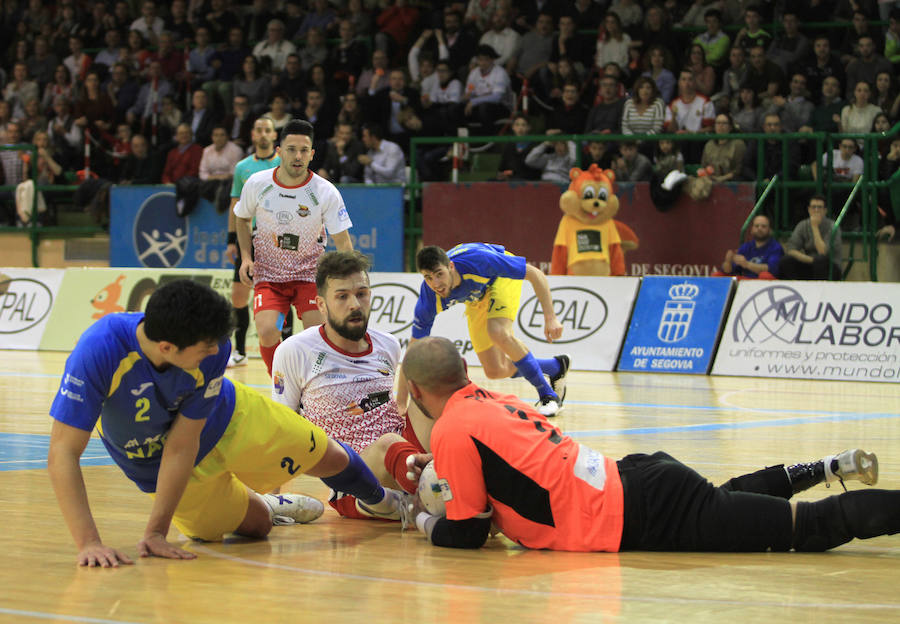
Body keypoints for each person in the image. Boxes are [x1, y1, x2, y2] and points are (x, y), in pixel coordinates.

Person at [402, 337, 893, 553]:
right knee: (722, 501)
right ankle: (826, 466)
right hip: (639, 480)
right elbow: (515, 463)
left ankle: (838, 478)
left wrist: (420, 518)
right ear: (464, 373)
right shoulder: (493, 398)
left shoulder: (450, 431)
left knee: (806, 529)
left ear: (419, 392)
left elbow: (467, 534)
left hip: (633, 511)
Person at [47, 280, 408, 567]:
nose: (215, 353)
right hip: (155, 463)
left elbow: (183, 441)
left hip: (230, 419)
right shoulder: (99, 351)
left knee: (324, 453)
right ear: (169, 348)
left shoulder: (213, 346)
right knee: (257, 528)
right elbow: (63, 452)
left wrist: (156, 530)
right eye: (205, 350)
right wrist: (90, 543)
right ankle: (271, 507)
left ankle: (381, 500)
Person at [272, 251, 427, 519]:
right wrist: (271, 499)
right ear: (321, 305)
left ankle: (437, 483)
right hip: (351, 476)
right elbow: (281, 427)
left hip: (403, 452)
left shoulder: (387, 344)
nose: (355, 304)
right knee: (389, 443)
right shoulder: (295, 350)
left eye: (362, 293)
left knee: (440, 369)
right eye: (342, 296)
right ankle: (436, 492)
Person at [235, 119, 354, 376]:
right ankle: (281, 384)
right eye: (291, 149)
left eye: (303, 150)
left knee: (317, 337)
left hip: (310, 276)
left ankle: (311, 390)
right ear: (279, 151)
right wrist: (246, 258)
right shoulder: (257, 183)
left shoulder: (325, 192)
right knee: (267, 331)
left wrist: (352, 282)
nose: (297, 156)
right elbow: (241, 219)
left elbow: (343, 242)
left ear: (312, 154)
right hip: (268, 276)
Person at [398, 243, 568, 417]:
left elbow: (535, 274)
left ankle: (549, 395)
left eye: (439, 274)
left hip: (499, 278)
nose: (436, 284)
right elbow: (412, 352)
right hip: (477, 295)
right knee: (495, 370)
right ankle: (555, 367)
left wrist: (550, 317)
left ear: (451, 266)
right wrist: (401, 402)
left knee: (498, 331)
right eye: (428, 277)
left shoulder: (479, 261)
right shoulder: (429, 298)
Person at [225, 116, 280, 369]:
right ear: (253, 135)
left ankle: (283, 347)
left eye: (268, 130)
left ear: (274, 135)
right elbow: (235, 206)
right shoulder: (242, 167)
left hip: (277, 239)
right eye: (259, 130)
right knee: (238, 296)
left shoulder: (284, 163)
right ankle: (240, 350)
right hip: (250, 238)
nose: (263, 134)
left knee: (281, 294)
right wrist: (231, 239)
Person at [779, 195, 843, 281]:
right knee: (786, 261)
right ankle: (798, 290)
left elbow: (822, 252)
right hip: (810, 262)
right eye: (813, 207)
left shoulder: (832, 227)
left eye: (819, 207)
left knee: (821, 260)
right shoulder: (803, 225)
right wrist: (811, 260)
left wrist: (814, 227)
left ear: (825, 210)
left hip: (831, 267)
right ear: (809, 209)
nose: (816, 210)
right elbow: (791, 249)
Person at [714, 214, 782, 279]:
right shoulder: (746, 247)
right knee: (717, 275)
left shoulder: (776, 248)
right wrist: (728, 261)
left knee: (765, 275)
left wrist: (747, 264)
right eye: (756, 226)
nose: (759, 229)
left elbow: (771, 269)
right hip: (744, 281)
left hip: (763, 284)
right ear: (751, 230)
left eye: (763, 226)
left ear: (770, 230)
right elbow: (729, 271)